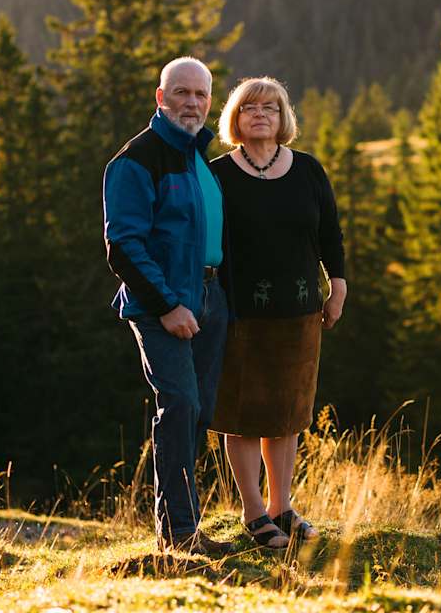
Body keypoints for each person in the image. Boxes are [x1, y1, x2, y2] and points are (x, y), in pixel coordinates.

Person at [102, 56, 233, 556]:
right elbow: (123, 245)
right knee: (179, 405)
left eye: (201, 94)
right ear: (161, 97)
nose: (192, 103)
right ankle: (178, 535)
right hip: (163, 305)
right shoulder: (136, 159)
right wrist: (168, 305)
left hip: (210, 299)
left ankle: (185, 524)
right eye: (181, 92)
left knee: (198, 414)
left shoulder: (198, 159)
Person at [209, 76, 346, 549]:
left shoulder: (307, 169)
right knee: (243, 413)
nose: (260, 114)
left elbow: (330, 233)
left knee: (288, 412)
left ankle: (281, 507)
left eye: (270, 107)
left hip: (301, 311)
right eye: (250, 108)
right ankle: (253, 512)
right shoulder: (218, 174)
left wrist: (338, 284)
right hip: (240, 313)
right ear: (235, 118)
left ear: (283, 116)